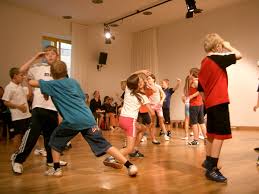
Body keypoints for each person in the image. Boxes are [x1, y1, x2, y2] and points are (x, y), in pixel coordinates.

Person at [29, 60, 138, 177]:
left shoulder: (51, 84)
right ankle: (130, 166)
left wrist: (33, 76)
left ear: (52, 74)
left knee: (54, 141)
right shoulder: (73, 82)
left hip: (71, 121)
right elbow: (82, 98)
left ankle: (56, 169)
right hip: (88, 119)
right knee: (105, 145)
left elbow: (32, 82)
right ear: (66, 71)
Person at [11, 46, 67, 175]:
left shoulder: (60, 70)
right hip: (39, 107)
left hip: (53, 108)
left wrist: (61, 112)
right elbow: (21, 70)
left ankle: (51, 161)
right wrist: (36, 57)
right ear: (44, 56)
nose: (50, 56)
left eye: (53, 54)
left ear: (57, 56)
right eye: (47, 54)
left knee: (50, 138)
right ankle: (18, 160)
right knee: (32, 136)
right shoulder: (38, 68)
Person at [198, 33, 242, 182]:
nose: (223, 48)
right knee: (220, 135)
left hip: (210, 103)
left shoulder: (203, 63)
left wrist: (208, 101)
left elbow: (200, 89)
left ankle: (208, 161)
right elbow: (239, 55)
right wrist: (228, 45)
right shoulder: (217, 59)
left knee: (211, 133)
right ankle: (212, 168)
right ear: (217, 46)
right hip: (219, 102)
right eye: (221, 46)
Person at [2, 67, 32, 151]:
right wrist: (19, 107)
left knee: (31, 134)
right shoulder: (9, 87)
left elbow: (29, 96)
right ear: (15, 76)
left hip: (27, 115)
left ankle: (37, 150)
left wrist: (28, 83)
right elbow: (5, 102)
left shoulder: (20, 87)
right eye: (21, 75)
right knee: (17, 136)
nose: (23, 77)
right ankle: (15, 154)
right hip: (17, 117)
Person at [147, 74, 170, 141]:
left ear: (153, 79)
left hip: (158, 106)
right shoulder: (147, 87)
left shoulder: (158, 86)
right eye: (147, 78)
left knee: (161, 121)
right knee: (151, 122)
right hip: (150, 106)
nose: (148, 80)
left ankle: (165, 135)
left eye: (149, 78)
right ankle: (146, 136)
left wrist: (161, 101)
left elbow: (164, 95)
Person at [187, 68, 207, 146]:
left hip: (195, 105)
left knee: (194, 123)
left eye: (190, 73)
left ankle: (195, 140)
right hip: (200, 105)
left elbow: (200, 91)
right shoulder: (196, 81)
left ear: (193, 73)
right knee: (201, 122)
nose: (189, 75)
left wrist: (191, 96)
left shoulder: (195, 82)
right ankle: (205, 138)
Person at [181, 75, 191, 140]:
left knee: (187, 120)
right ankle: (199, 134)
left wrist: (185, 102)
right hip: (193, 104)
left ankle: (186, 136)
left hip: (187, 104)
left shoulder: (185, 88)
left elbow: (182, 98)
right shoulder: (193, 86)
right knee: (196, 120)